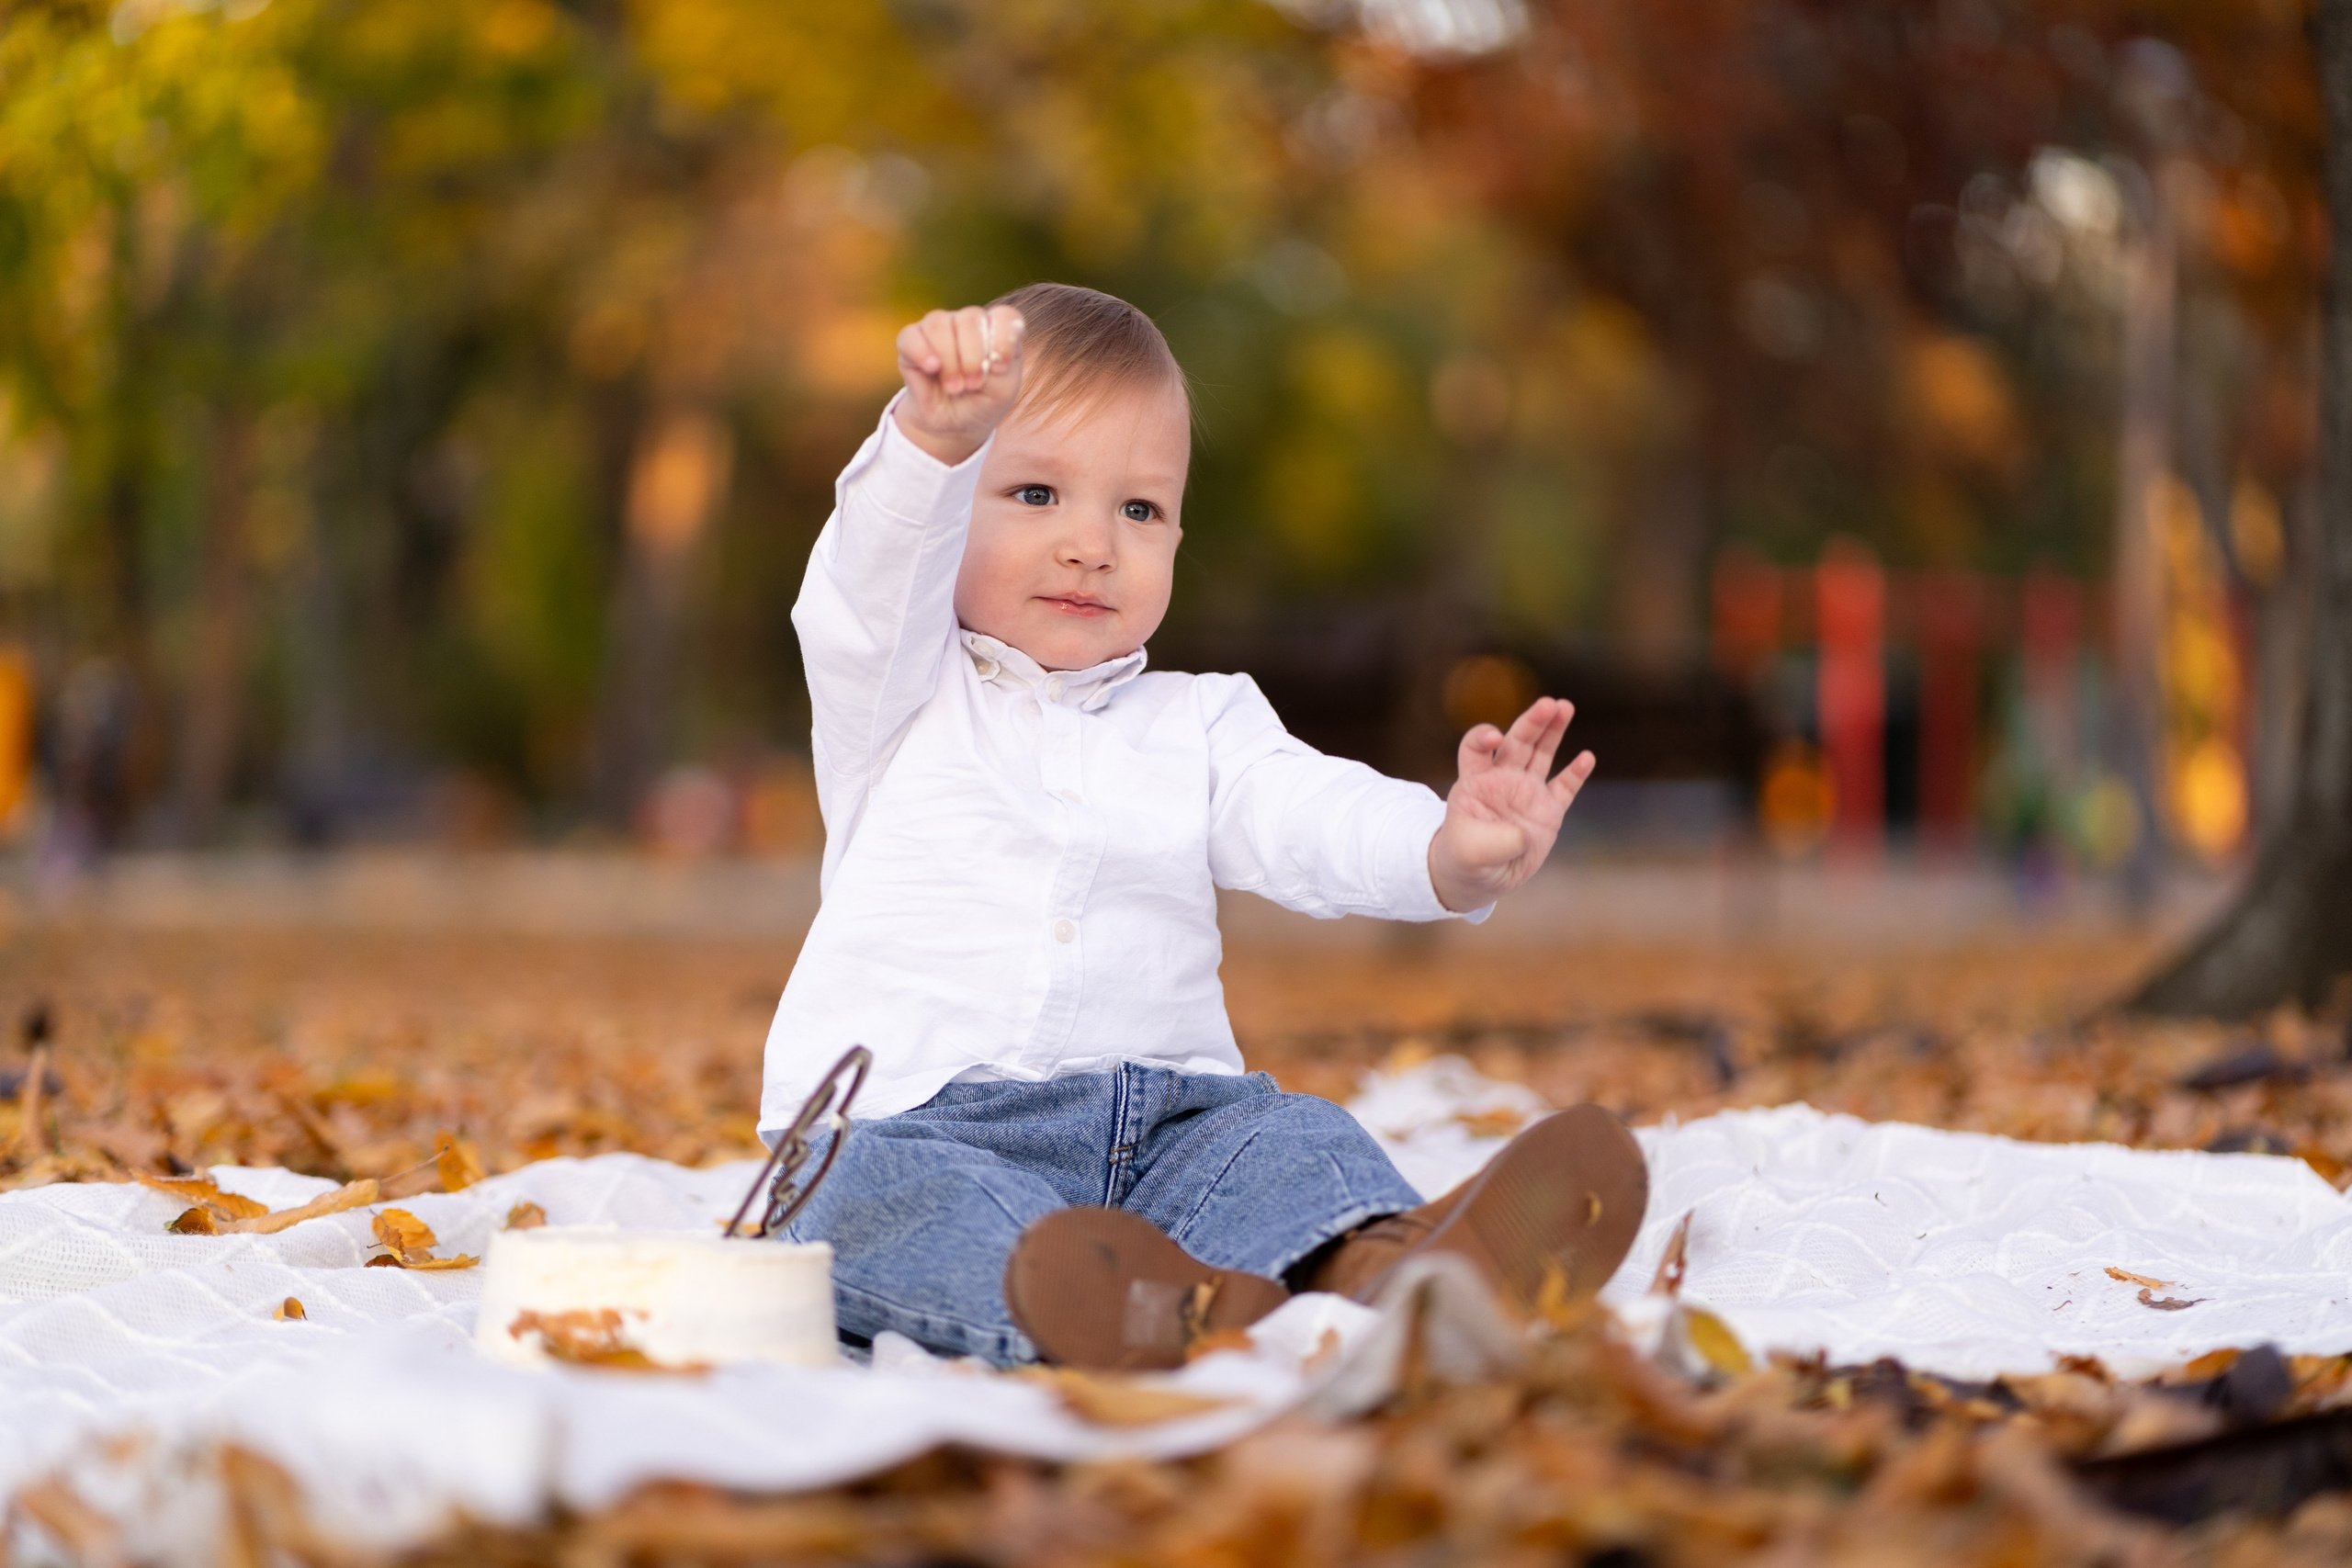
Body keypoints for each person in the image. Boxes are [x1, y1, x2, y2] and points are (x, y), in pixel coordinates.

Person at [763, 283, 1646, 1370]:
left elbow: (1307, 812)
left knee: (1288, 1140)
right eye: (1035, 492)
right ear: (952, 510)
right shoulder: (897, 690)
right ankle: (1118, 1306)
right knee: (867, 1200)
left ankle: (1389, 1272)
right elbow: (866, 582)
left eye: (1138, 511)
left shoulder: (1201, 720)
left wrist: (1447, 852)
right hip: (922, 1123)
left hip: (1163, 1131)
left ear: (1180, 531)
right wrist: (928, 443)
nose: (1092, 545)